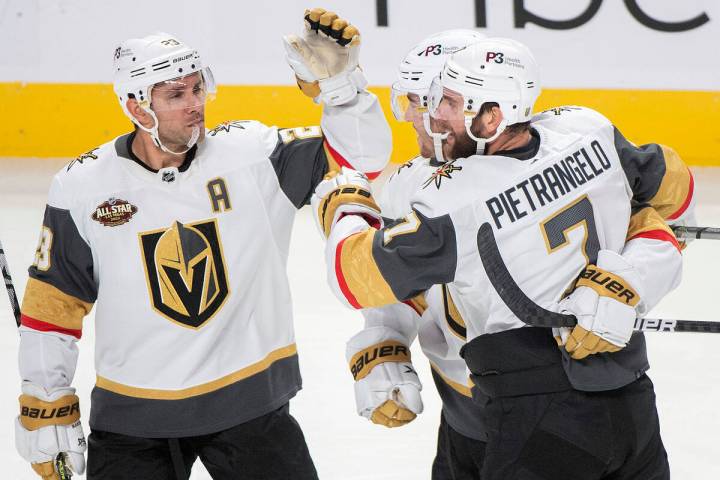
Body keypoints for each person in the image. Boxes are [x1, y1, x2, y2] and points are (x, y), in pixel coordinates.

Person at [14, 8, 391, 480]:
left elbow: (360, 160)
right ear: (135, 105)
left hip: (251, 409)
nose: (195, 104)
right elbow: (54, 305)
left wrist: (342, 90)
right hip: (134, 417)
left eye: (197, 88)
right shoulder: (81, 187)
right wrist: (46, 398)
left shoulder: (253, 154)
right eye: (176, 94)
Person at [312, 37, 695, 479]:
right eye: (424, 101)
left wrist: (345, 207)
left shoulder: (450, 194)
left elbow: (354, 275)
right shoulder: (586, 128)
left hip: (528, 409)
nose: (428, 116)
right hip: (612, 390)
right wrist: (386, 335)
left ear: (491, 115)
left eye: (443, 101)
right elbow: (671, 197)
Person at [344, 29, 491, 480]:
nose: (408, 117)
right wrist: (385, 348)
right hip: (463, 416)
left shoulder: (527, 170)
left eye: (419, 101)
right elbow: (401, 285)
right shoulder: (410, 184)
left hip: (551, 411)